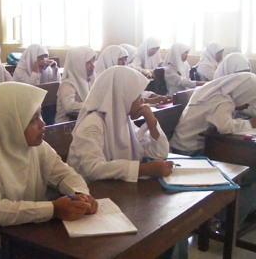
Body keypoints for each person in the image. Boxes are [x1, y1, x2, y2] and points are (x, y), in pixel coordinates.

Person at [0, 81, 98, 259]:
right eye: (33, 119)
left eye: (40, 115)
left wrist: (80, 195)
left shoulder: (36, 147)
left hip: (17, 232)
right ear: (10, 123)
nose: (42, 124)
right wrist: (53, 209)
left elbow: (65, 174)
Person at [170, 72, 256, 227]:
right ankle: (227, 221)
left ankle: (227, 215)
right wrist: (251, 123)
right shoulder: (222, 100)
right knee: (250, 176)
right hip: (191, 154)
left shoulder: (214, 91)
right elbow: (225, 127)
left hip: (187, 147)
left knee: (246, 172)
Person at [67, 66, 173, 183]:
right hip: (89, 193)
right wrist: (143, 169)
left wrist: (151, 120)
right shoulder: (92, 124)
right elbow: (93, 169)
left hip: (113, 189)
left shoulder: (123, 120)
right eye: (138, 97)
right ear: (122, 95)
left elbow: (159, 154)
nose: (142, 102)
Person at [95, 45, 171, 105]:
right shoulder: (99, 79)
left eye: (125, 59)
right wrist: (151, 100)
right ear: (110, 60)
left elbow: (135, 92)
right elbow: (121, 101)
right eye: (121, 59)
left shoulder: (122, 73)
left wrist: (154, 96)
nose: (124, 63)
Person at [55, 46, 96, 123]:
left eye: (93, 61)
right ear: (78, 64)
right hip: (66, 126)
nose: (93, 66)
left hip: (82, 121)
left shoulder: (88, 80)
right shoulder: (67, 84)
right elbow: (69, 107)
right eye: (88, 62)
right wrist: (93, 105)